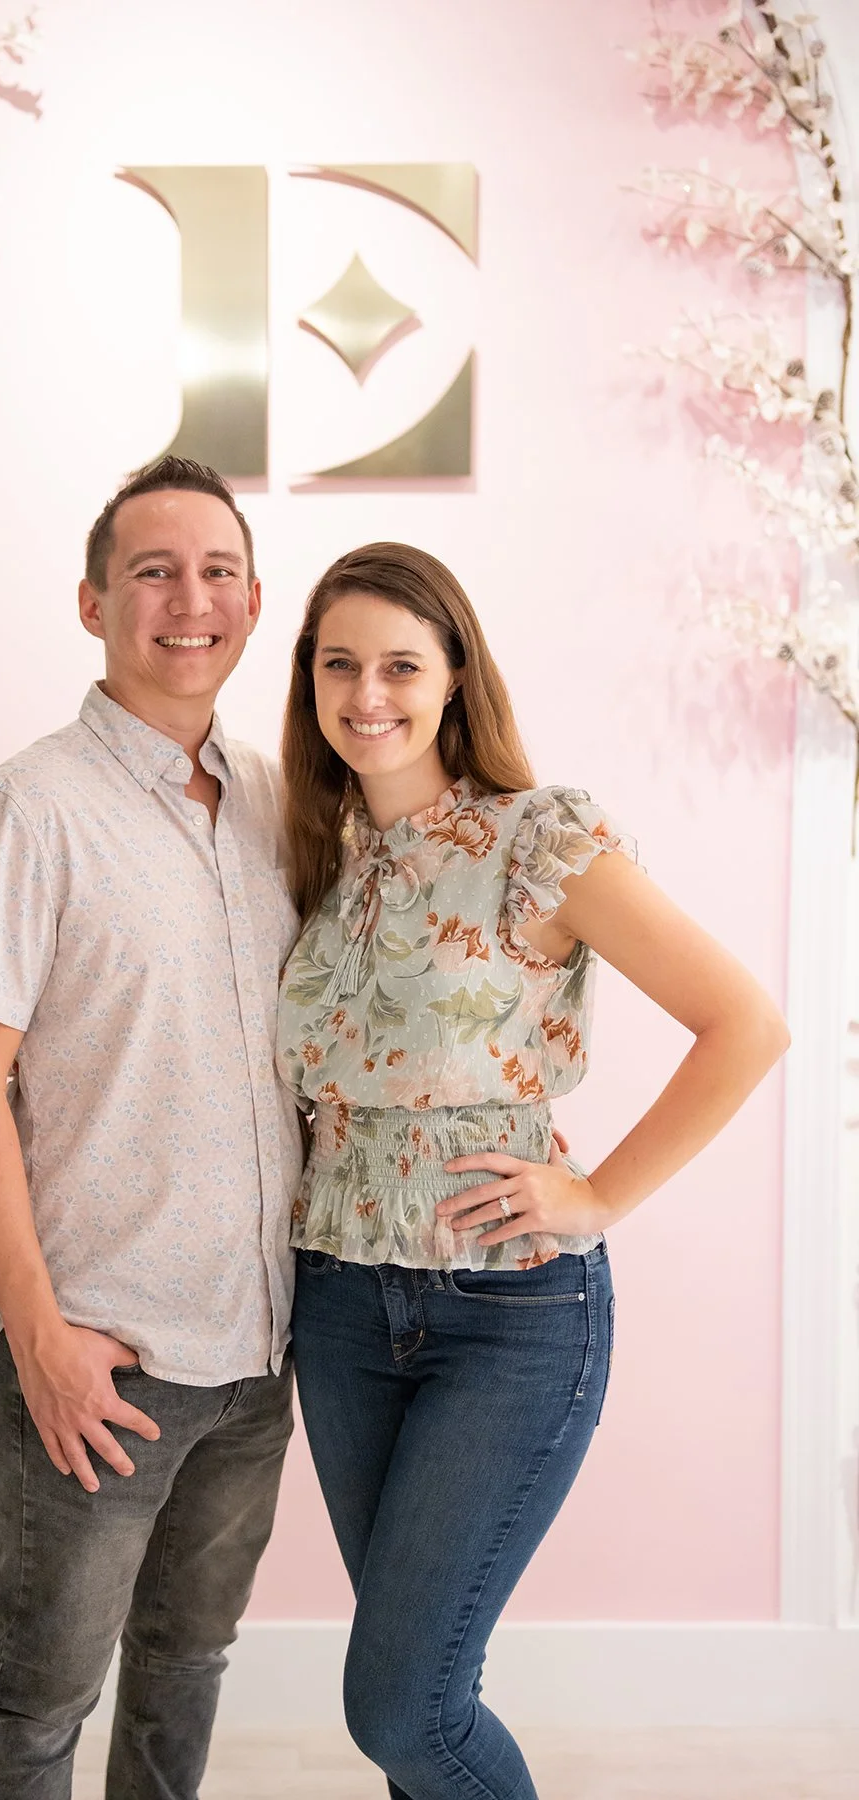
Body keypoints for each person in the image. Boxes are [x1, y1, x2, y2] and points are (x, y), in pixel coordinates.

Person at [276, 542, 789, 1800]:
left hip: (508, 1313)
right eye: (338, 664)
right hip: (338, 1309)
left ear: (456, 677)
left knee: (402, 1710)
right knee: (427, 1699)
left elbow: (747, 1023)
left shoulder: (536, 839)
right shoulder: (313, 858)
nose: (368, 694)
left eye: (402, 664)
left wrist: (600, 1193)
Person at [0, 456, 304, 1800]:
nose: (185, 600)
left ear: (253, 604)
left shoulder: (279, 803)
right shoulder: (26, 810)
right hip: (96, 1364)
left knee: (185, 1669)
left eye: (213, 573)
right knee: (39, 1700)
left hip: (255, 1358)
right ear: (93, 603)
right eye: (152, 571)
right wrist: (41, 1335)